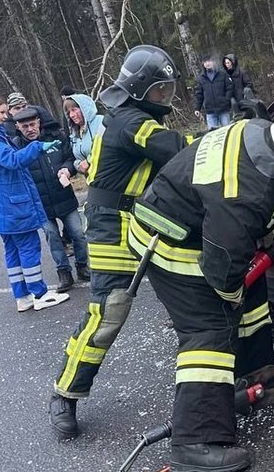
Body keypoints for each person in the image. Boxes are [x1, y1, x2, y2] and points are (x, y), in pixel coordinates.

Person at [128, 111, 274, 472]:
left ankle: (252, 377)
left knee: (251, 305)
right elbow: (223, 272)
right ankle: (193, 443)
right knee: (210, 330)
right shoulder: (246, 194)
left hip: (189, 224)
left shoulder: (257, 131)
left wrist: (265, 245)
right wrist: (231, 295)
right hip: (168, 246)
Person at [50, 45, 192, 439]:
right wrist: (230, 138)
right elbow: (179, 150)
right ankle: (65, 392)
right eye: (160, 91)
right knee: (109, 309)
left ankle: (214, 377)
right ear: (140, 89)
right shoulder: (131, 123)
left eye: (168, 90)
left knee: (193, 289)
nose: (165, 98)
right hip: (112, 225)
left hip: (144, 220)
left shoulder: (130, 117)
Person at [0, 95, 70, 312]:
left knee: (11, 249)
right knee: (28, 245)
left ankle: (22, 296)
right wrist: (36, 147)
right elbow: (12, 161)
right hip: (11, 203)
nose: (5, 117)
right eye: (1, 112)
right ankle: (39, 294)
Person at [11, 107, 89, 291]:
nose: (29, 129)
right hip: (39, 203)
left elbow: (70, 158)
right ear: (18, 127)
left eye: (32, 124)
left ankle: (83, 266)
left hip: (64, 196)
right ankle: (64, 272)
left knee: (78, 233)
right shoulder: (17, 147)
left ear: (39, 122)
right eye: (24, 126)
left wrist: (67, 169)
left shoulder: (55, 137)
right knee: (53, 237)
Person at [64, 93, 104, 175]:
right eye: (68, 113)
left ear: (84, 108)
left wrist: (89, 161)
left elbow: (108, 147)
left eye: (74, 110)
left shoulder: (100, 122)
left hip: (111, 174)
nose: (71, 115)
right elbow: (76, 158)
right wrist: (78, 165)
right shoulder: (74, 133)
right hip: (93, 181)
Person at [193, 54, 233, 130]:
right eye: (205, 62)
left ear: (213, 62)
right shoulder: (201, 78)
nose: (207, 64)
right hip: (210, 111)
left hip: (223, 109)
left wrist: (226, 100)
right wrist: (197, 108)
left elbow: (230, 88)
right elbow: (199, 94)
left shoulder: (222, 74)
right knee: (212, 135)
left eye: (209, 61)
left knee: (227, 131)